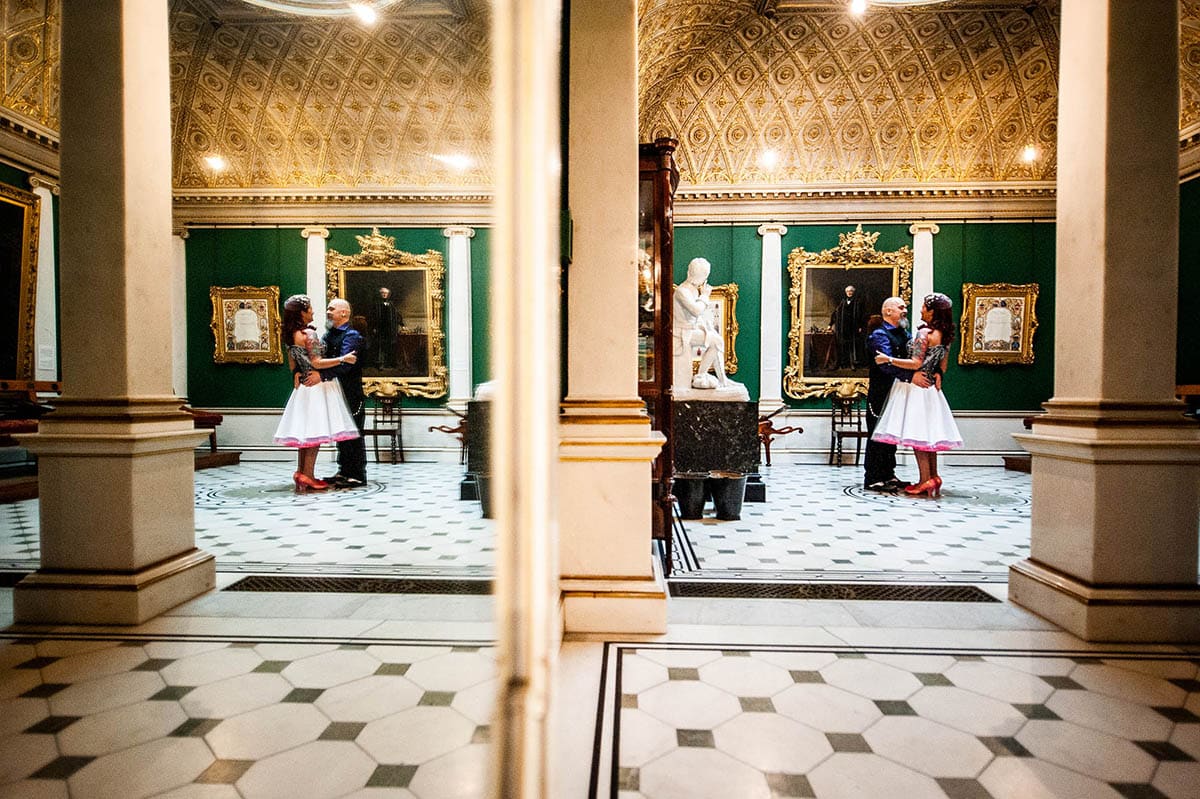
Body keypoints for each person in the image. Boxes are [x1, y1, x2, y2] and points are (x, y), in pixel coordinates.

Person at [871, 292, 964, 497]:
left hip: (915, 388)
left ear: (932, 312)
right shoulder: (945, 334)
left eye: (923, 307)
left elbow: (915, 363)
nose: (919, 310)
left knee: (919, 435)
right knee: (929, 435)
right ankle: (934, 476)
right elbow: (943, 366)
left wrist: (888, 359)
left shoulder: (924, 333)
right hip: (930, 389)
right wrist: (936, 374)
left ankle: (925, 480)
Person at [272, 295, 360, 493]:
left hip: (304, 387)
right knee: (314, 433)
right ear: (302, 313)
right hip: (317, 386)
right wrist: (342, 358)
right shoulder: (309, 334)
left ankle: (300, 471)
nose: (313, 311)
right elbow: (317, 363)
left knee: (305, 433)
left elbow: (293, 364)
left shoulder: (291, 333)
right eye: (310, 308)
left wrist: (297, 374)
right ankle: (308, 475)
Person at [862, 296, 933, 492]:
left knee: (890, 434)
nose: (905, 310)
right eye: (901, 307)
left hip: (899, 392)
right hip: (882, 393)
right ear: (888, 312)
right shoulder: (879, 335)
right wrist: (912, 377)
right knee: (877, 434)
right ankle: (874, 478)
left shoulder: (904, 333)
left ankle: (888, 474)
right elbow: (884, 365)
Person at [321, 297, 368, 489]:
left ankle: (357, 474)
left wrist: (322, 372)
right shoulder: (327, 336)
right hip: (334, 390)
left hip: (350, 392)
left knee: (353, 432)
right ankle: (344, 471)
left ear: (344, 313)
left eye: (331, 309)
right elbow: (321, 358)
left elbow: (346, 367)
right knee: (341, 432)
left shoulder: (352, 335)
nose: (327, 312)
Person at [672, 257, 728, 390]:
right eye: (705, 276)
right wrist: (705, 295)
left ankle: (720, 378)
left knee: (716, 340)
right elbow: (696, 311)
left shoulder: (692, 289)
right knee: (716, 341)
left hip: (690, 329)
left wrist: (706, 328)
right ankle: (702, 376)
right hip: (681, 333)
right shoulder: (682, 291)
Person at [830, 284, 867, 369]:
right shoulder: (842, 302)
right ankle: (844, 363)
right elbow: (835, 313)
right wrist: (831, 323)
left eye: (851, 291)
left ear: (853, 292)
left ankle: (853, 363)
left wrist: (860, 326)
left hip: (853, 327)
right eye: (847, 291)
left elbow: (862, 315)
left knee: (852, 346)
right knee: (844, 345)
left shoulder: (858, 302)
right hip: (843, 328)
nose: (849, 293)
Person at [372, 286, 401, 369]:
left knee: (390, 345)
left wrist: (401, 324)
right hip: (380, 328)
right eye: (383, 293)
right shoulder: (376, 304)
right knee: (381, 346)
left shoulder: (391, 304)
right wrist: (374, 327)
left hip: (390, 329)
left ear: (388, 294)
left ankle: (390, 363)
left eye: (386, 293)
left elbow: (396, 315)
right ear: (380, 294)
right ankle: (380, 363)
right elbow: (373, 316)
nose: (384, 294)